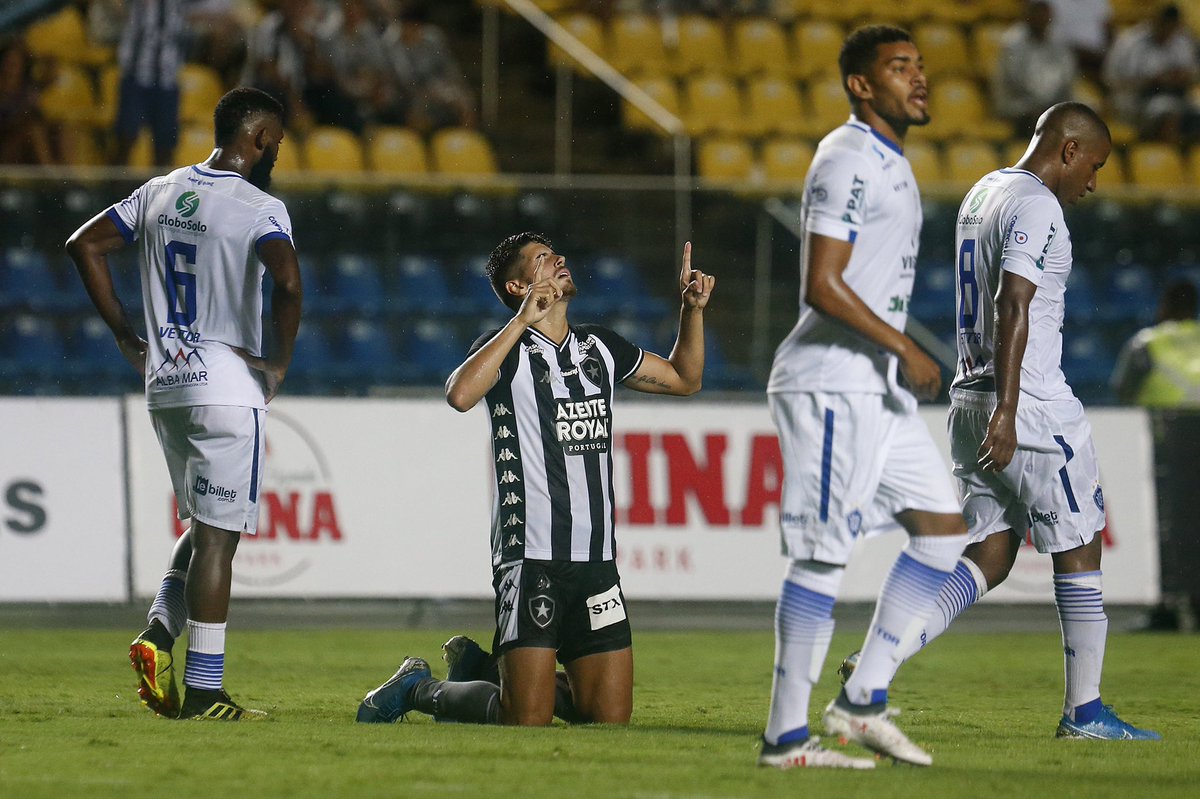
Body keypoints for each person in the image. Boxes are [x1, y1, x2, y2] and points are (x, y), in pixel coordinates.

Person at [841, 102, 1161, 741]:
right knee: (1080, 542)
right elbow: (1012, 302)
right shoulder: (1038, 205)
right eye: (1093, 166)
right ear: (1068, 150)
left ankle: (880, 658)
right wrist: (1012, 410)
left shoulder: (983, 191)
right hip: (1029, 406)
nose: (1093, 183)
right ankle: (1086, 712)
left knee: (991, 550)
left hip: (969, 398)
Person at [355, 232, 715, 726]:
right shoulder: (507, 351)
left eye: (557, 254)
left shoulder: (600, 347)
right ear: (517, 284)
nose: (560, 260)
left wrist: (691, 311)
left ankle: (482, 668)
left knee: (607, 720)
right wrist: (522, 319)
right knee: (524, 719)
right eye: (544, 259)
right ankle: (420, 688)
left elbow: (685, 379)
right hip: (530, 558)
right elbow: (460, 395)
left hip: (596, 562)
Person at [759, 25, 968, 770]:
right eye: (899, 67)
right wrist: (905, 344)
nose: (919, 78)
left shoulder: (895, 163)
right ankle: (785, 742)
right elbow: (821, 283)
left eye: (921, 65)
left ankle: (859, 703)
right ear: (860, 84)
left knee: (944, 529)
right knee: (823, 555)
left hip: (873, 389)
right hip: (829, 384)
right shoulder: (846, 157)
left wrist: (894, 354)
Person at [66, 87, 302, 720]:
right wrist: (278, 361)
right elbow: (286, 281)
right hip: (226, 386)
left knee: (203, 525)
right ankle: (204, 692)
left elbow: (83, 245)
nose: (276, 149)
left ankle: (157, 634)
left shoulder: (161, 191)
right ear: (258, 139)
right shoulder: (262, 207)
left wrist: (126, 335)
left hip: (165, 384)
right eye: (275, 139)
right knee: (220, 542)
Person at [1102, 2, 1200, 144]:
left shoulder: (1182, 40)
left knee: (1180, 107)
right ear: (1155, 21)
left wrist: (1183, 77)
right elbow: (1110, 79)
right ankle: (1165, 155)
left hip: (1176, 96)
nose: (1167, 30)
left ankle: (1190, 162)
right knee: (1167, 111)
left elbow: (1193, 74)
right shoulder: (1130, 41)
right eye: (1164, 25)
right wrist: (1152, 80)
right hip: (1134, 100)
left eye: (1172, 26)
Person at [112, 0, 186, 166]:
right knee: (126, 137)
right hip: (136, 74)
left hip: (167, 77)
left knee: (165, 144)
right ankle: (114, 189)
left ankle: (162, 191)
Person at [993, 0, 1077, 138]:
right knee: (1040, 119)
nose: (1041, 18)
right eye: (1037, 12)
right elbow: (1018, 81)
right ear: (1028, 15)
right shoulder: (1012, 41)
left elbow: (1066, 75)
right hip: (1017, 103)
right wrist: (1047, 101)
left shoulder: (1058, 41)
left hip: (1049, 103)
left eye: (1045, 13)